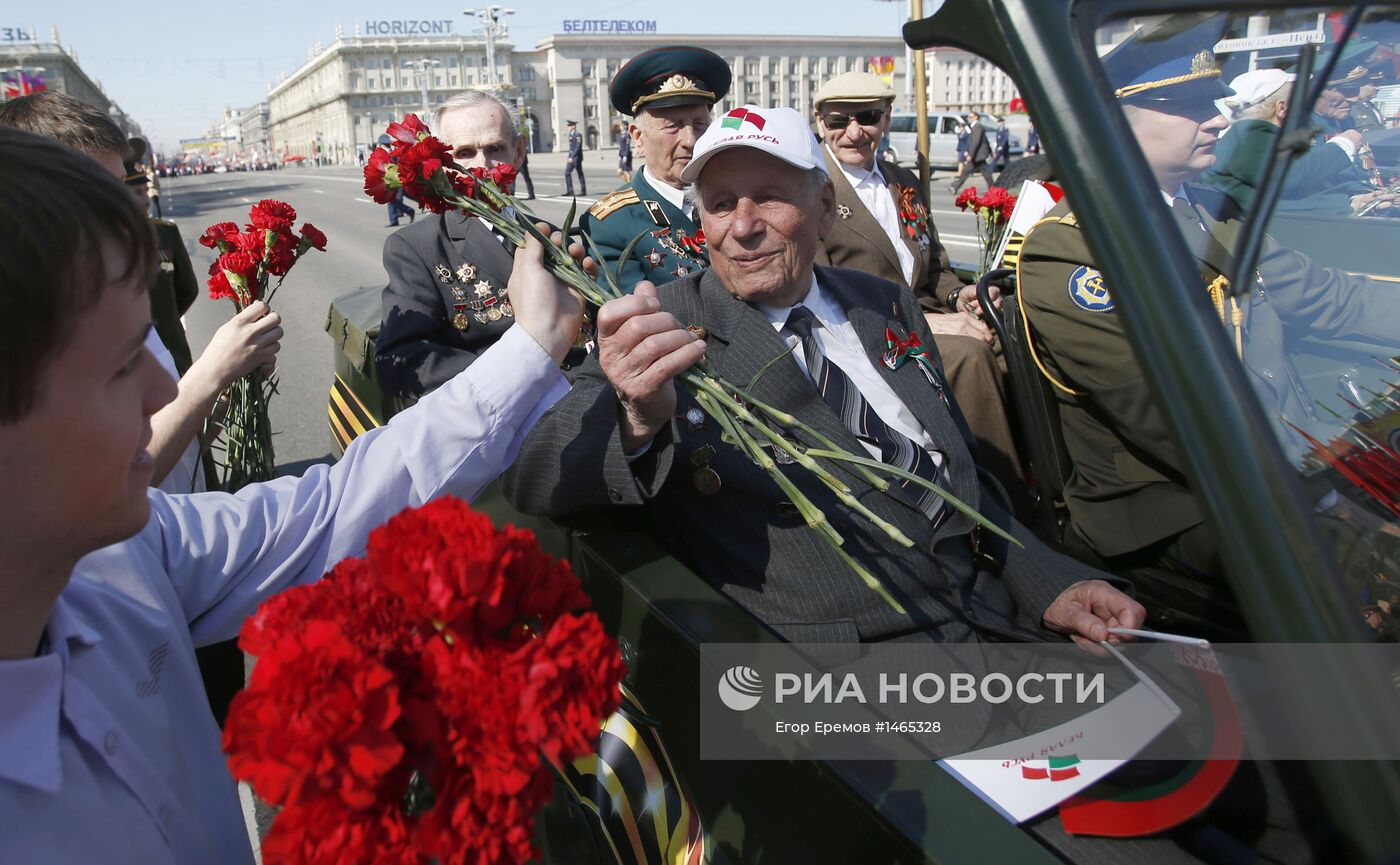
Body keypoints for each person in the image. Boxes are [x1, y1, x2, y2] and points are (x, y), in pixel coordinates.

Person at [0, 125, 586, 863]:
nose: (164, 392)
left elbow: (340, 505)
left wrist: (535, 344)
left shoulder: (122, 553)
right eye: (123, 368)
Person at [504, 105, 1143, 647]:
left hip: (994, 622)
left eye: (771, 197)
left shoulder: (882, 302)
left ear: (826, 203)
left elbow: (956, 473)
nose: (743, 226)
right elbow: (536, 474)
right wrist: (634, 416)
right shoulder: (665, 325)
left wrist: (1050, 582)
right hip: (847, 683)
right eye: (721, 204)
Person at [1016, 26, 1400, 602]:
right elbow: (1172, 412)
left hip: (1283, 462)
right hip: (1178, 505)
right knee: (1377, 578)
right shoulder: (1071, 250)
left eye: (1212, 102)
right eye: (1189, 106)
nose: (1218, 119)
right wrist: (1320, 490)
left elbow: (1330, 297)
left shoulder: (1209, 215)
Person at [810, 71, 1024, 504]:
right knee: (971, 355)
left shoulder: (902, 179)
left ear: (886, 119)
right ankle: (999, 497)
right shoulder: (813, 189)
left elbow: (935, 267)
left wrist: (959, 297)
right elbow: (822, 293)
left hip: (927, 315)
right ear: (819, 123)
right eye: (838, 121)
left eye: (867, 117)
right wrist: (934, 323)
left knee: (1013, 335)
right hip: (868, 333)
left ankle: (1042, 473)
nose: (853, 133)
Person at [376, 91, 581, 408]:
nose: (482, 165)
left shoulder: (552, 237)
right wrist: (524, 375)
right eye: (465, 152)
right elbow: (401, 363)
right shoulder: (415, 247)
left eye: (495, 148)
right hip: (493, 426)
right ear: (441, 163)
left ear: (518, 152)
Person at [581, 45, 731, 292]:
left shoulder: (737, 198)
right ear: (638, 138)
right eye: (673, 126)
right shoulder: (612, 223)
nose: (690, 140)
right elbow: (636, 319)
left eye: (700, 124)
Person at [1203, 68, 1382, 216]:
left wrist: (1353, 203)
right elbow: (1290, 177)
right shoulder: (1250, 137)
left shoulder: (1257, 136)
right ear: (1282, 108)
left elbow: (1286, 202)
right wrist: (1344, 144)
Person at [949, 111, 994, 193]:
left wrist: (971, 154)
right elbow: (985, 140)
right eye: (968, 117)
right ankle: (955, 186)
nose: (968, 119)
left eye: (970, 117)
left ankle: (994, 189)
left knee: (986, 174)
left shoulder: (978, 127)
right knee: (969, 172)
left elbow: (975, 142)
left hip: (978, 155)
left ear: (976, 117)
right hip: (977, 156)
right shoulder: (975, 127)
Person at [564, 119, 587, 196]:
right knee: (567, 173)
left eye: (569, 126)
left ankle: (583, 190)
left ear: (573, 126)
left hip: (576, 157)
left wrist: (572, 157)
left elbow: (578, 147)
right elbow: (571, 147)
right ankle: (570, 191)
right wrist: (569, 157)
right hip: (571, 157)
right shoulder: (571, 134)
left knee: (579, 173)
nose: (568, 127)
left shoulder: (578, 134)